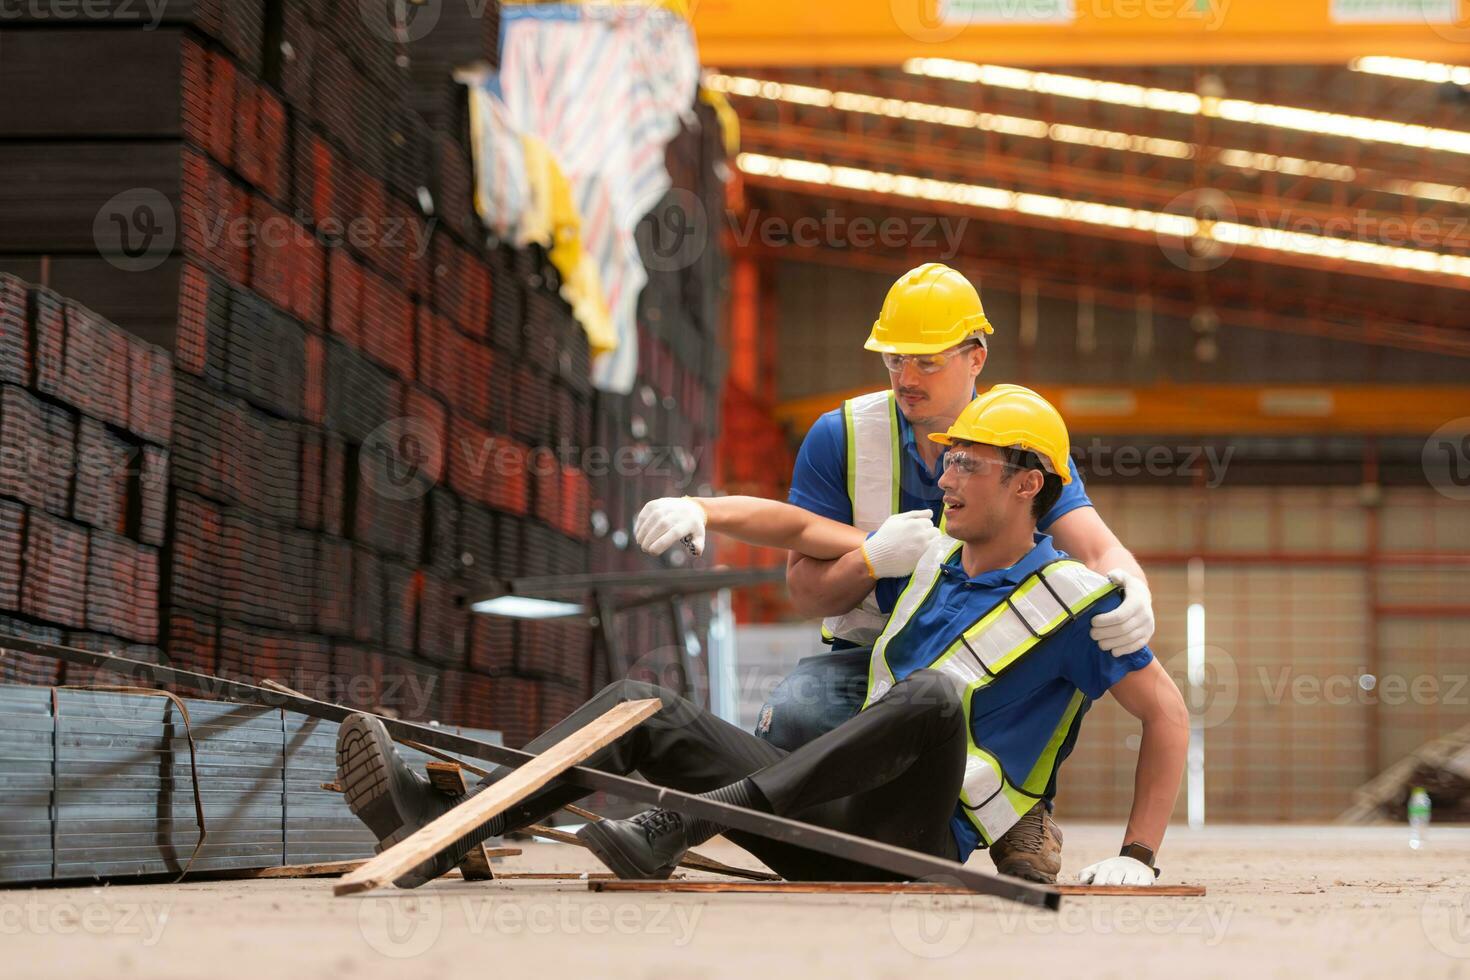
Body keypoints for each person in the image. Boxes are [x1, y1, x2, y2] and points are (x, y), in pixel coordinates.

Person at [334, 387, 1187, 889]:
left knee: (933, 697)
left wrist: (1139, 856)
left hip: (910, 846)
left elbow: (1167, 717)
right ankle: (442, 821)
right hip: (822, 817)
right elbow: (802, 532)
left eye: (968, 464)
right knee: (644, 707)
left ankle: (679, 827)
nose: (947, 476)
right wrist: (705, 508)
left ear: (1029, 482)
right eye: (946, 459)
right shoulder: (927, 552)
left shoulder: (1077, 605)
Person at [633, 263, 1157, 880]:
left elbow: (1097, 548)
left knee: (1066, 649)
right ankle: (834, 827)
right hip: (874, 659)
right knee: (798, 714)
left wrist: (1133, 585)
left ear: (976, 359)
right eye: (893, 360)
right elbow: (803, 570)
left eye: (927, 362)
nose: (906, 379)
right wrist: (866, 558)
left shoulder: (1014, 442)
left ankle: (1017, 808)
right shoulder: (845, 437)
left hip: (975, 670)